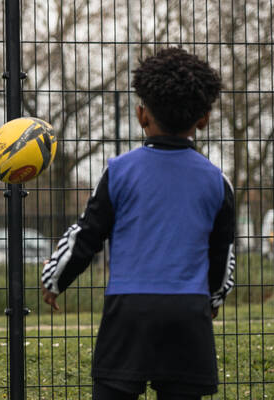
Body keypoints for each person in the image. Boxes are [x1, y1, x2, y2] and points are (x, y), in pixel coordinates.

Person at [41, 47, 235, 400]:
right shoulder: (217, 182)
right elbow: (221, 253)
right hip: (188, 313)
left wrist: (55, 278)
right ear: (204, 118)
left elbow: (87, 234)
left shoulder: (119, 172)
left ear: (141, 115)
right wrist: (214, 298)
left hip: (129, 309)